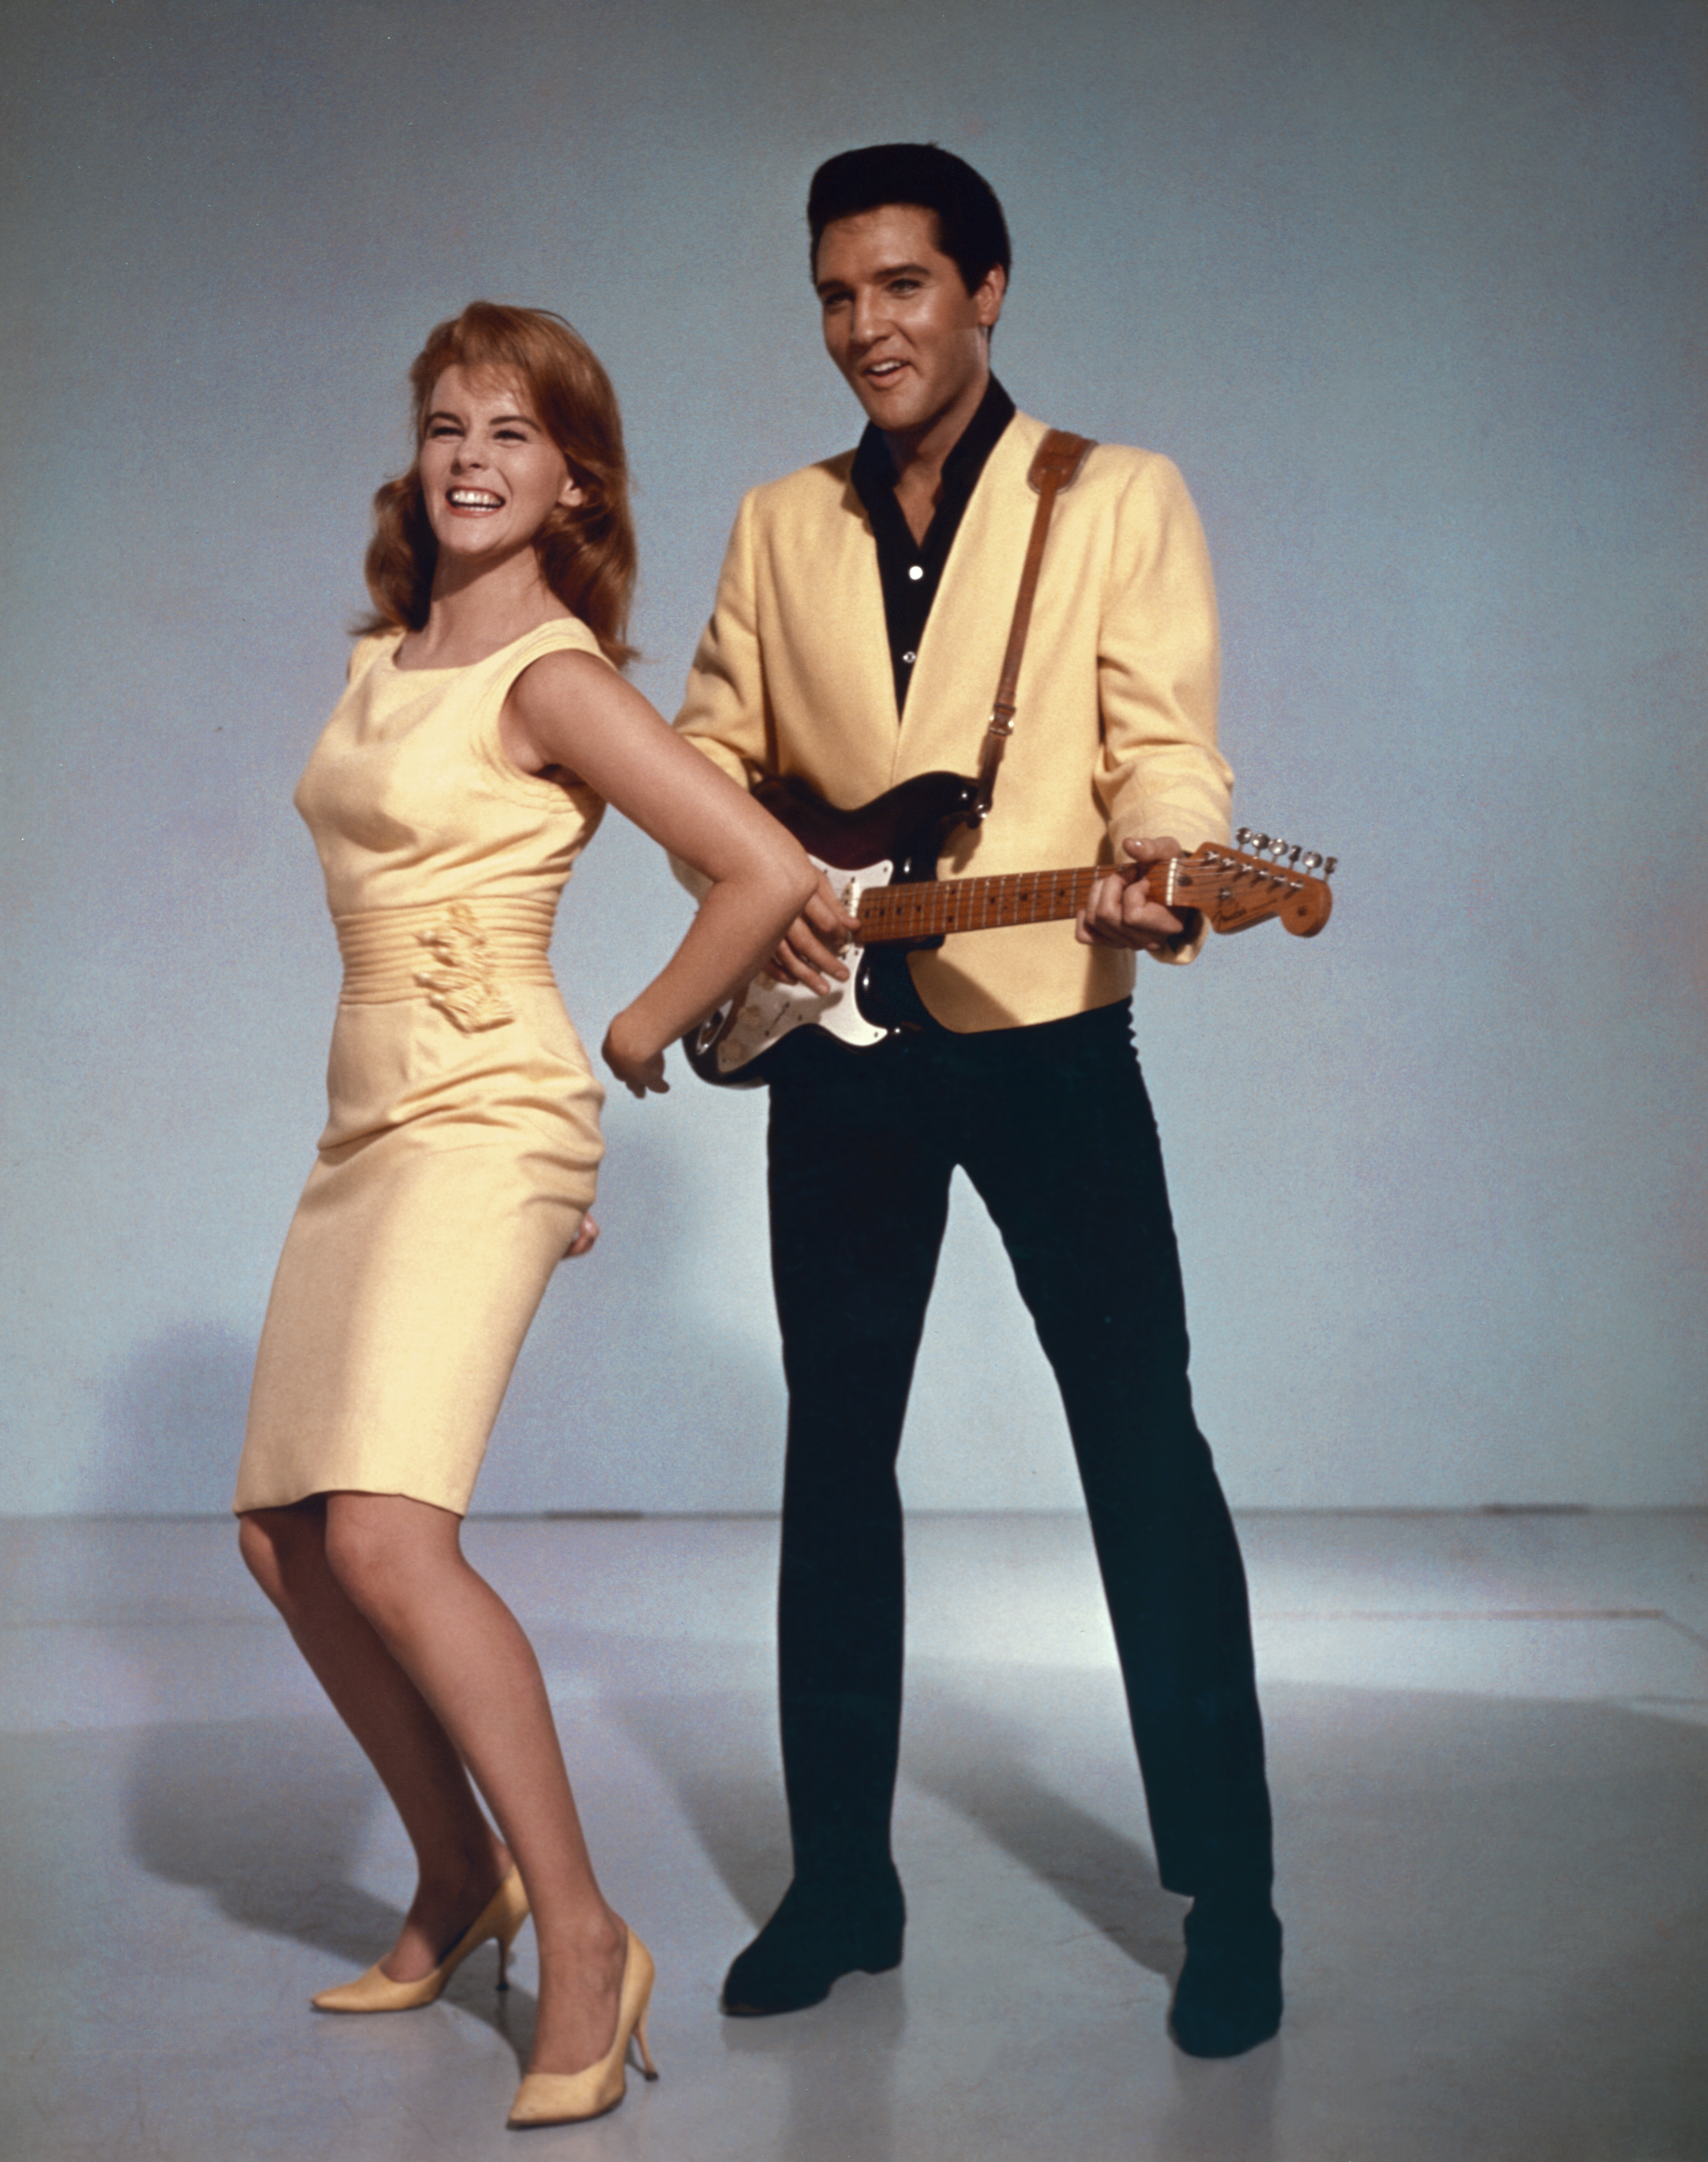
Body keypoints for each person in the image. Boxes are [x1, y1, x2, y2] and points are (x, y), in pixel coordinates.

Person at [673, 143, 1282, 2058]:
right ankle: (842, 1882)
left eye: (903, 287)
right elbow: (707, 747)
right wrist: (766, 898)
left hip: (1046, 1040)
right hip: (837, 1046)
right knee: (833, 1456)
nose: (866, 327)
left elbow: (1167, 754)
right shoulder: (776, 523)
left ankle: (1228, 1900)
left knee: (1142, 1455)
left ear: (988, 288)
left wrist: (1159, 864)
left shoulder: (1112, 497)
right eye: (836, 294)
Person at [234, 302, 816, 2129]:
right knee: (284, 1538)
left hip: (488, 1113)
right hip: (366, 1120)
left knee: (391, 1536)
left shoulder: (554, 677)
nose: (470, 455)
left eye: (511, 430)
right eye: (443, 424)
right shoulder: (389, 657)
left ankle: (577, 1929)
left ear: (573, 479)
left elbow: (762, 869)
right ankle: (454, 1870)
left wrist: (633, 1035)